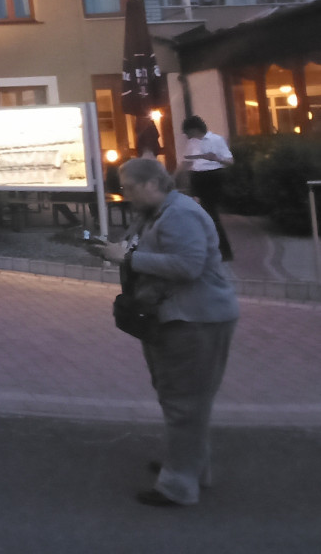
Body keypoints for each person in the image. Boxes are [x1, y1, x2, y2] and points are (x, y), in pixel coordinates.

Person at [99, 157, 239, 507]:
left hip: (195, 320)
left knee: (183, 403)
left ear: (151, 184)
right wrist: (116, 250)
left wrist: (127, 259)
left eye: (129, 188)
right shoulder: (157, 213)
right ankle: (191, 466)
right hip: (178, 318)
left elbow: (188, 265)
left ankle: (178, 486)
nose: (125, 194)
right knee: (181, 399)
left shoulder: (180, 214)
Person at [178, 115, 234, 261]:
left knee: (210, 214)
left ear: (195, 129)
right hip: (197, 178)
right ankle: (210, 248)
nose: (188, 136)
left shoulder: (216, 139)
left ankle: (224, 251)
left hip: (212, 177)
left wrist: (215, 158)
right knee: (199, 214)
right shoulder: (191, 143)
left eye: (189, 132)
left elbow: (230, 161)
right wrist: (176, 178)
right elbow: (186, 162)